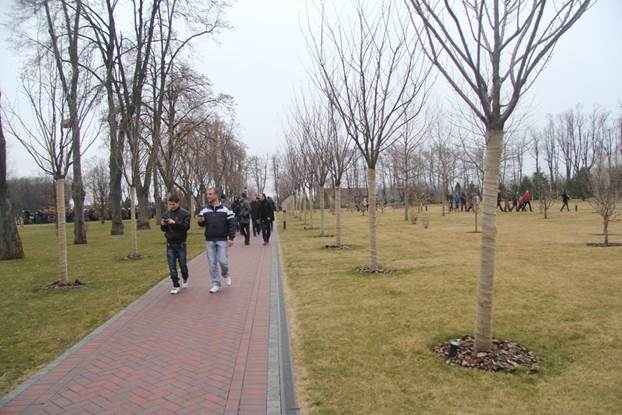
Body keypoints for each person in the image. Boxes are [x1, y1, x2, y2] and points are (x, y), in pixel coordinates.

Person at [198, 188, 236, 294]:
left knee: (223, 261)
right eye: (207, 194)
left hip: (222, 239)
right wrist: (200, 221)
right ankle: (215, 284)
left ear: (216, 195)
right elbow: (201, 224)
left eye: (210, 194)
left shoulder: (226, 208)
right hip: (209, 239)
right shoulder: (204, 209)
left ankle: (225, 274)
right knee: (212, 263)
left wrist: (231, 238)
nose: (208, 196)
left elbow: (231, 224)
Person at [160, 193, 191, 295]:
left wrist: (175, 223)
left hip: (181, 243)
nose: (172, 206)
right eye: (170, 204)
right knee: (172, 266)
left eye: (173, 204)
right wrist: (163, 225)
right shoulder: (166, 214)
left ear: (178, 203)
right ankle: (175, 285)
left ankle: (185, 277)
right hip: (170, 243)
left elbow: (186, 227)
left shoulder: (185, 213)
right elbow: (163, 229)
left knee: (182, 264)